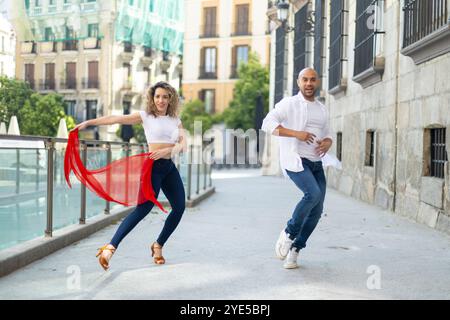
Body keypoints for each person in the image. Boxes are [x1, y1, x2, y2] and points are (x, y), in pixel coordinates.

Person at [72, 81, 187, 270]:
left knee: (179, 207)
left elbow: (183, 145)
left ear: (170, 98)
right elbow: (116, 119)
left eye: (165, 96)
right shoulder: (145, 116)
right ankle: (110, 248)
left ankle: (158, 245)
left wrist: (169, 151)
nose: (161, 100)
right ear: (152, 98)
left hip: (168, 167)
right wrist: (89, 122)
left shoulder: (176, 120)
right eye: (157, 96)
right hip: (152, 168)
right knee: (143, 208)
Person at [261, 68, 334, 269]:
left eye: (312, 79)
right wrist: (296, 134)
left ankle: (295, 250)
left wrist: (328, 142)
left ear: (317, 82)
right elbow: (267, 124)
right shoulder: (289, 104)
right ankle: (289, 233)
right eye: (305, 80)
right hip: (296, 161)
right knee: (313, 194)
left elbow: (328, 133)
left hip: (316, 163)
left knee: (317, 210)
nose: (309, 83)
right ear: (298, 82)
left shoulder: (322, 108)